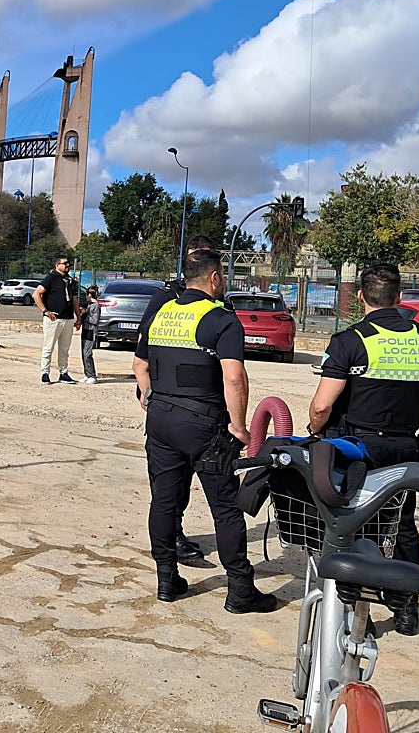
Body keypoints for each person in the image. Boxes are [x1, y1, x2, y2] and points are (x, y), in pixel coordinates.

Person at [134, 248, 278, 613]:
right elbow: (234, 376)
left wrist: (152, 400)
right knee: (226, 508)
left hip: (161, 419)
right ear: (214, 278)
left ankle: (167, 579)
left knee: (164, 501)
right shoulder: (221, 319)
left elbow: (140, 363)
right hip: (204, 424)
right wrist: (240, 426)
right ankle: (241, 589)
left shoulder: (162, 312)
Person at [308, 263, 419, 635]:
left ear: (360, 297)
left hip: (359, 449)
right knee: (403, 526)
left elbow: (323, 406)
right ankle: (406, 612)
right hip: (407, 448)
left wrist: (314, 431)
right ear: (399, 298)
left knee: (357, 526)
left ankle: (354, 616)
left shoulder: (350, 341)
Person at [137, 234, 220, 564]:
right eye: (194, 256)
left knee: (189, 480)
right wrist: (147, 390)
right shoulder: (166, 297)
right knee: (170, 481)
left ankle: (173, 536)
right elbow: (143, 346)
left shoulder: (217, 303)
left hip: (204, 406)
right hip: (167, 399)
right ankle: (171, 539)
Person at [33, 255, 79, 384]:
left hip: (68, 318)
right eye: (65, 264)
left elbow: (74, 298)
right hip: (54, 319)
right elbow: (36, 294)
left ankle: (63, 372)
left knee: (64, 348)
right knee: (49, 346)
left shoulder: (69, 280)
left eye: (68, 264)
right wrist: (45, 311)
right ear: (57, 265)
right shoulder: (51, 278)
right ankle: (45, 373)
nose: (67, 266)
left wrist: (78, 317)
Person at [79, 285, 101, 383]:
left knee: (88, 353)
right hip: (85, 330)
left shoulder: (96, 306)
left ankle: (92, 375)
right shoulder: (89, 305)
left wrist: (85, 314)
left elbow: (95, 320)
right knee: (83, 353)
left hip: (91, 332)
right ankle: (86, 374)